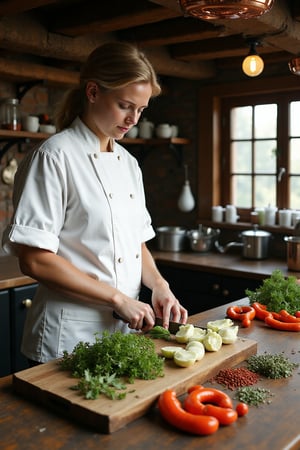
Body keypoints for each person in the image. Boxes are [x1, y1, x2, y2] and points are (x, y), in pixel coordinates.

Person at [2, 41, 188, 364]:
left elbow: (134, 242)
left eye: (141, 109)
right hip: (67, 335)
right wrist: (117, 298)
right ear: (92, 92)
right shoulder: (54, 157)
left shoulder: (129, 164)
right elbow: (34, 259)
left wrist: (159, 285)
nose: (133, 119)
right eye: (125, 105)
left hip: (122, 333)